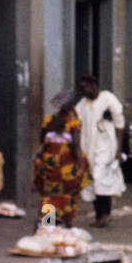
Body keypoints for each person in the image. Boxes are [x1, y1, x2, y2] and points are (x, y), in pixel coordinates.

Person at [75, 74, 126, 228]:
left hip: (106, 146)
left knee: (100, 178)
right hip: (89, 146)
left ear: (93, 85)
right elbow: (77, 122)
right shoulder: (82, 104)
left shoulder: (108, 98)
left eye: (85, 88)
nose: (83, 92)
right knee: (92, 181)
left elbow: (119, 124)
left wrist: (118, 149)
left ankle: (106, 213)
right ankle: (99, 215)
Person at [32, 91, 89, 228]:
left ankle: (48, 225)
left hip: (49, 164)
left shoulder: (48, 120)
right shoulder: (73, 122)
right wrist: (81, 166)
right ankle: (66, 222)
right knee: (69, 194)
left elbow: (42, 142)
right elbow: (75, 146)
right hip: (66, 166)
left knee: (49, 195)